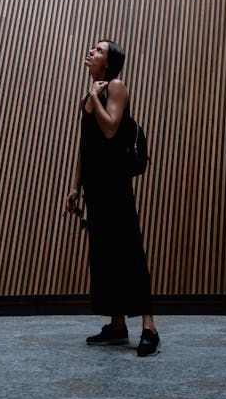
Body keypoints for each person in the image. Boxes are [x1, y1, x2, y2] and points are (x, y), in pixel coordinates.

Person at [65, 39, 160, 357]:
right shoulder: (87, 99)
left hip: (115, 186)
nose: (91, 51)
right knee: (103, 255)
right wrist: (75, 187)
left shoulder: (116, 87)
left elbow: (110, 129)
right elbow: (85, 147)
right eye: (92, 48)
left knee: (129, 251)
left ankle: (149, 328)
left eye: (99, 50)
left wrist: (94, 95)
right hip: (94, 189)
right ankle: (117, 325)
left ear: (110, 61)